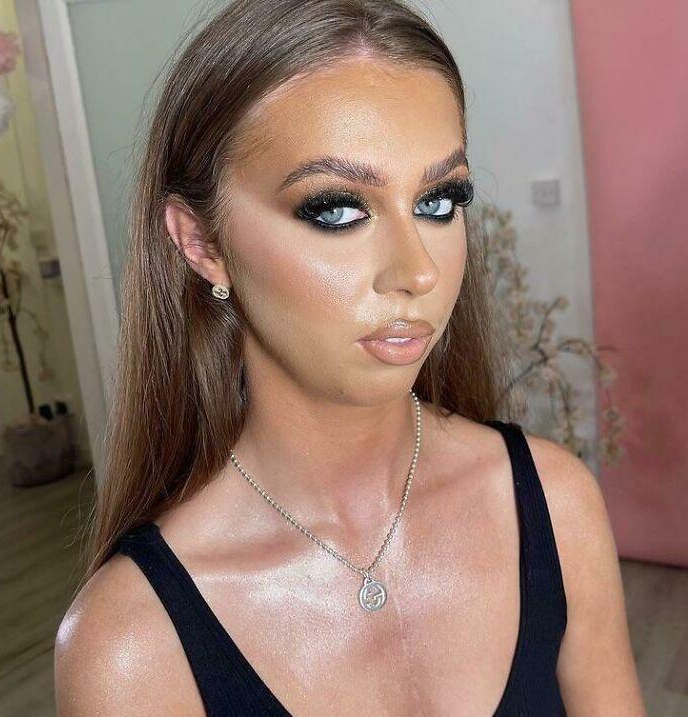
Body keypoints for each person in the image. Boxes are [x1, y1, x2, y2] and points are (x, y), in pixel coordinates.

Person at [54, 0, 646, 715]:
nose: (418, 271)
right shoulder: (130, 646)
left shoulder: (554, 505)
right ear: (201, 242)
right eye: (335, 209)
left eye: (439, 201)